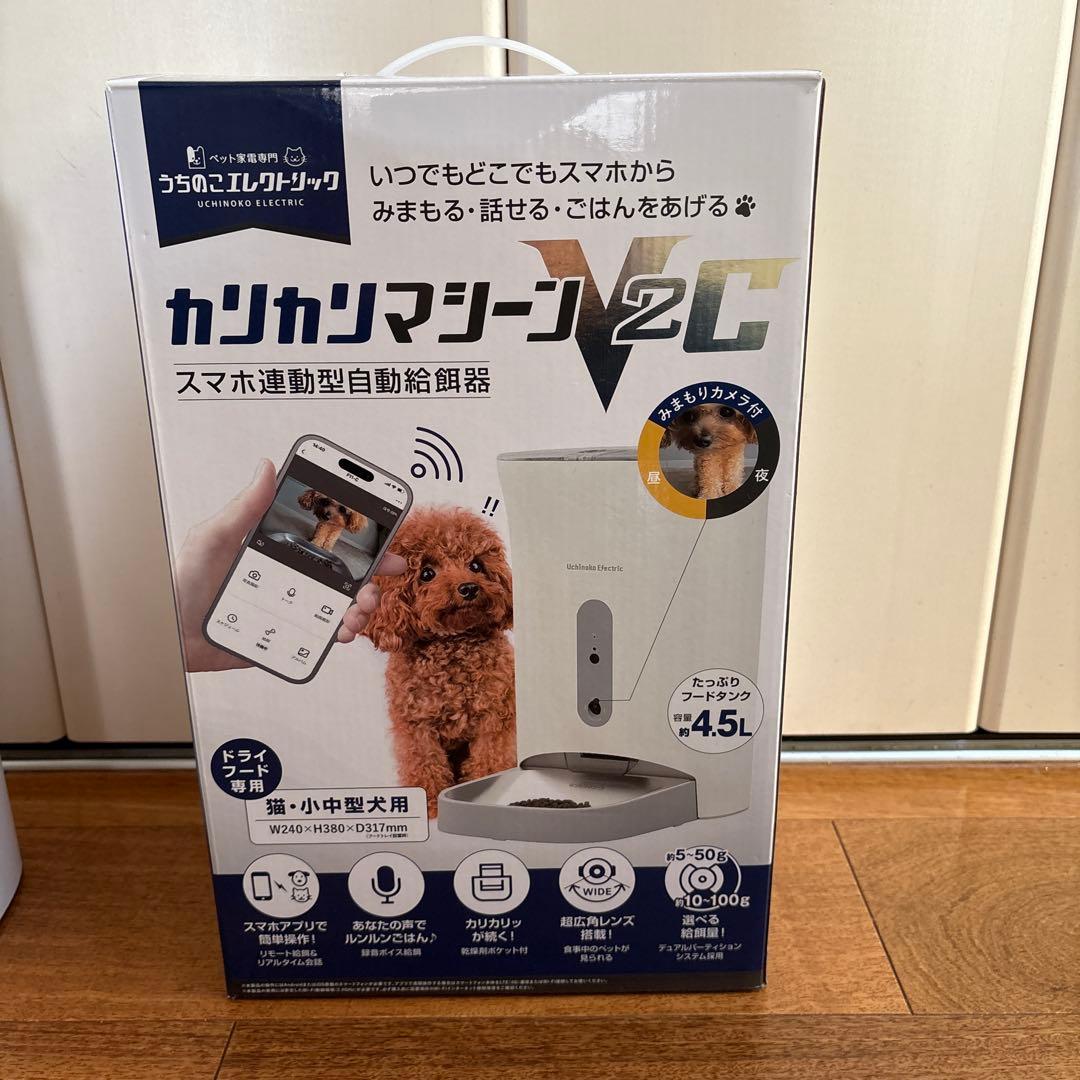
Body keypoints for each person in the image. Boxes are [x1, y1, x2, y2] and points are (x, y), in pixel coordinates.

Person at [174, 459, 406, 672]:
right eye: (326, 503)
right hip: (193, 633)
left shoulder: (343, 526)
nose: (329, 512)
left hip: (190, 642)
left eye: (341, 510)